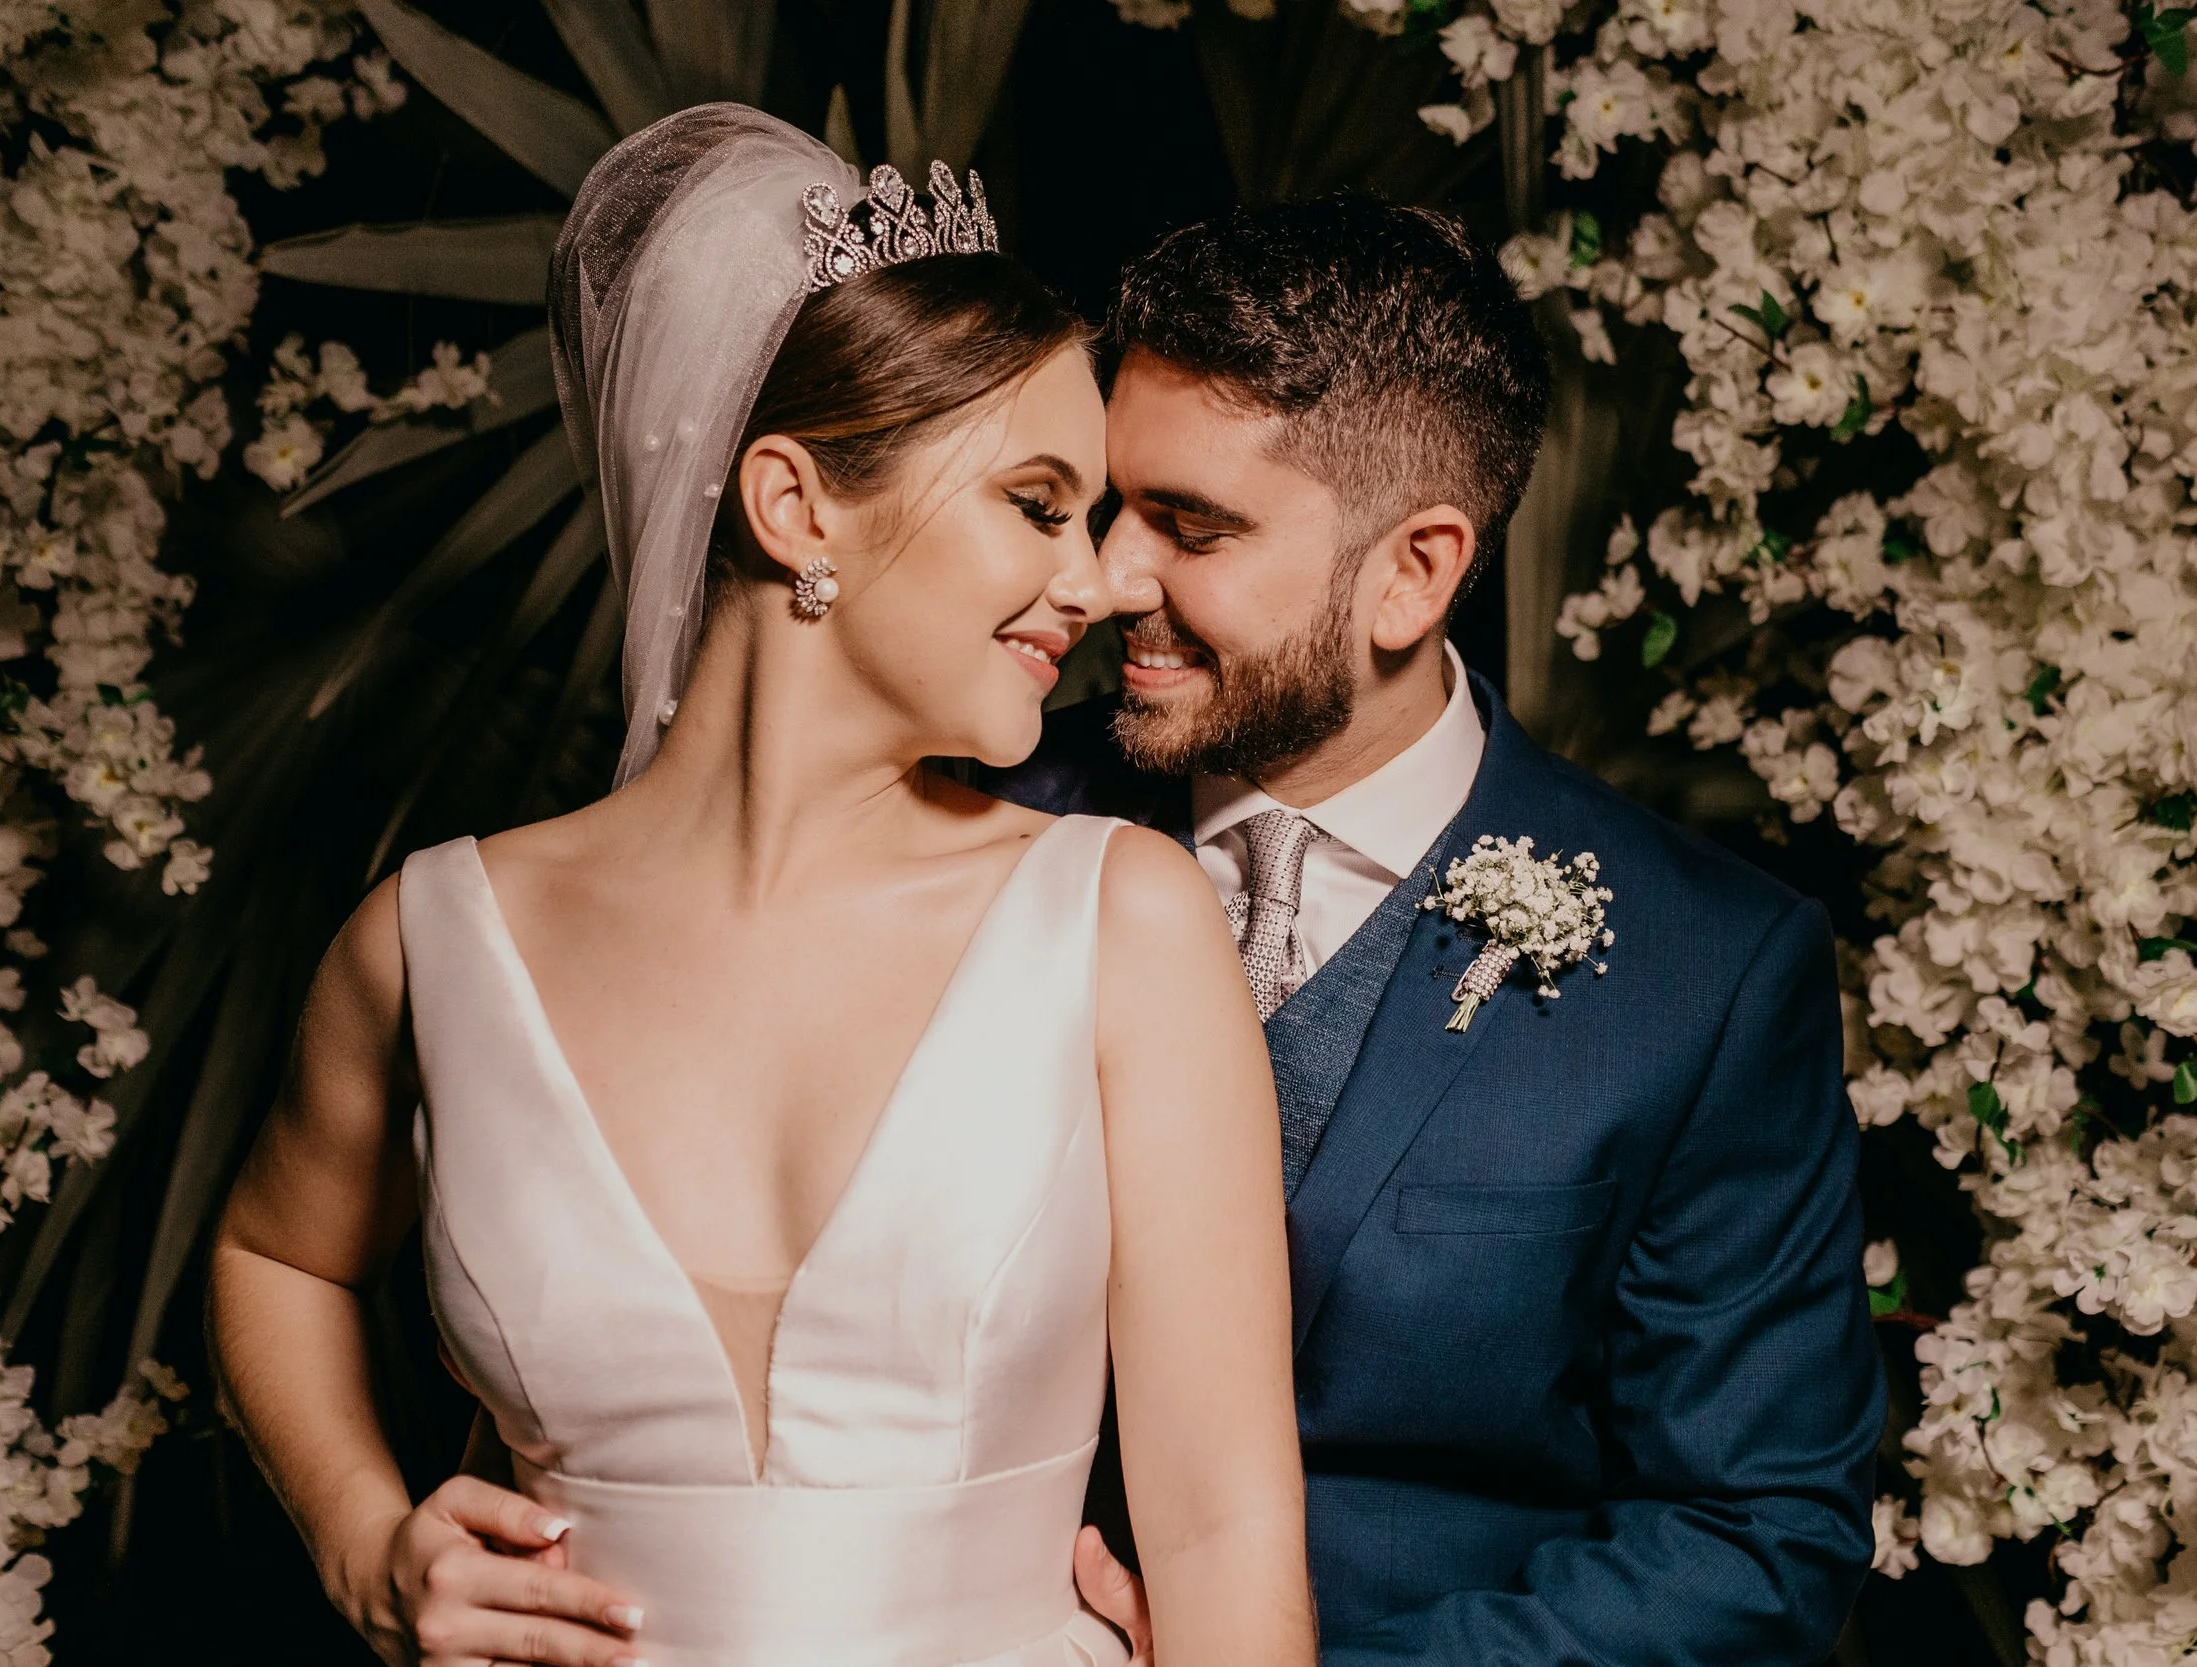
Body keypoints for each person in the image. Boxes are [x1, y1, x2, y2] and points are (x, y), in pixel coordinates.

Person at [208, 106, 1315, 1667]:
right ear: (796, 508)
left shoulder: (1119, 923)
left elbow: (1220, 1527)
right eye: (1038, 503)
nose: (1095, 581)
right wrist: (363, 1541)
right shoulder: (429, 941)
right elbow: (274, 1255)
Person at [990, 195, 1886, 1665]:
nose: (1104, 580)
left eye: (1190, 526)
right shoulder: (970, 819)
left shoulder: (1706, 972)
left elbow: (1752, 1528)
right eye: (1105, 502)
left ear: (1415, 570)